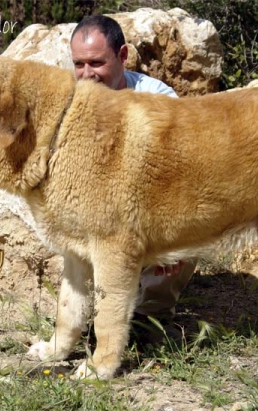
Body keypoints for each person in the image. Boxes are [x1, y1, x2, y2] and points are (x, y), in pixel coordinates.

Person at [70, 15, 196, 328]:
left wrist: (175, 241)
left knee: (185, 241)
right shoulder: (68, 103)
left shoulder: (160, 100)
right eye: (79, 64)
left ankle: (148, 320)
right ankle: (90, 320)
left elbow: (183, 173)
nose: (87, 75)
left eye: (97, 63)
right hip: (97, 220)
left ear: (123, 56)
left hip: (149, 217)